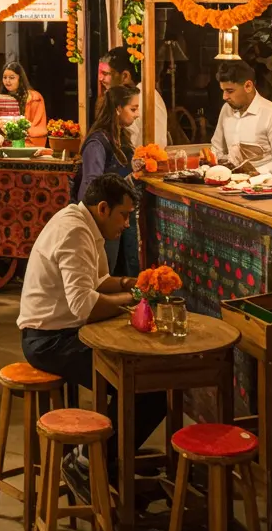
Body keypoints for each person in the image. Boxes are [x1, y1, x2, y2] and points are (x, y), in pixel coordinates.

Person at [18, 174, 164, 498]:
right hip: (47, 340)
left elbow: (97, 281)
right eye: (123, 215)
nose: (126, 224)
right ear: (103, 208)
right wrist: (135, 299)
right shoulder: (74, 231)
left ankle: (108, 462)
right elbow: (84, 305)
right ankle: (87, 461)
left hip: (63, 331)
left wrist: (131, 284)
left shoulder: (85, 223)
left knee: (146, 380)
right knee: (146, 386)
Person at [74, 86, 141, 276]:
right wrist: (130, 179)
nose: (137, 115)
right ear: (118, 108)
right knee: (103, 275)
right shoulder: (98, 142)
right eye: (133, 109)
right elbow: (93, 187)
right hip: (103, 220)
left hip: (117, 216)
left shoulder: (121, 137)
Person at [212, 59, 272, 179]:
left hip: (260, 187)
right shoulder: (226, 109)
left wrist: (252, 175)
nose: (225, 97)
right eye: (223, 91)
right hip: (227, 183)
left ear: (248, 86)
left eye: (230, 91)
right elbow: (217, 148)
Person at [98, 47, 168, 151]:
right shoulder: (134, 94)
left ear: (125, 76)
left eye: (105, 73)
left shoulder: (141, 98)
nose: (100, 78)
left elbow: (129, 145)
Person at [0, 60, 48, 145]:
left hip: (27, 142)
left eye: (11, 78)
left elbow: (37, 127)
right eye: (5, 77)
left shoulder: (34, 98)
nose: (7, 81)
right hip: (3, 142)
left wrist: (16, 123)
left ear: (20, 79)